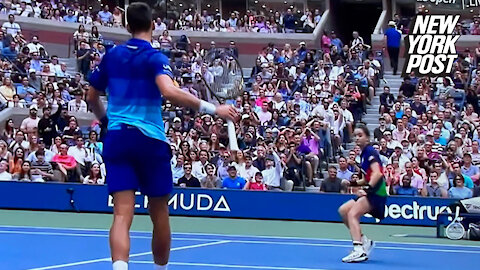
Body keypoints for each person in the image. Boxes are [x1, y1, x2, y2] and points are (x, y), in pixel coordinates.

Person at [86, 3, 236, 270]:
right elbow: (168, 91)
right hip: (151, 141)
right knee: (159, 213)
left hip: (118, 139)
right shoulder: (156, 58)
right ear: (153, 25)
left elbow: (91, 97)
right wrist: (215, 109)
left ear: (127, 26)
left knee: (121, 214)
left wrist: (106, 120)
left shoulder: (111, 56)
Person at [338, 125, 387, 263]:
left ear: (367, 137)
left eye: (360, 135)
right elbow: (367, 177)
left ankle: (358, 250)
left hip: (377, 192)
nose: (357, 138)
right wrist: (353, 184)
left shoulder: (371, 152)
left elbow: (377, 174)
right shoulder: (364, 154)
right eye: (355, 136)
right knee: (343, 211)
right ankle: (364, 241)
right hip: (372, 191)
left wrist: (367, 189)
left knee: (352, 214)